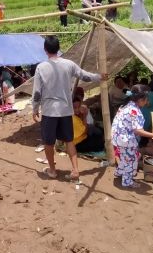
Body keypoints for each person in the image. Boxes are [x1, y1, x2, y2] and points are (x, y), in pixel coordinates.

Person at [32, 36, 107, 180]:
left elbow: (36, 92)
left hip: (49, 111)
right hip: (66, 110)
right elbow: (85, 76)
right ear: (58, 49)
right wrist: (99, 77)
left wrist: (35, 108)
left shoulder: (41, 67)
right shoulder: (69, 64)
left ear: (45, 50)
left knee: (48, 142)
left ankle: (52, 171)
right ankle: (75, 170)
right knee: (69, 140)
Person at [111, 84, 153, 188]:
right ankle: (127, 181)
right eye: (146, 99)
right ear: (141, 99)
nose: (147, 101)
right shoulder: (135, 111)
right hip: (125, 139)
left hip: (118, 137)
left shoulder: (126, 105)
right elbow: (138, 130)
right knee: (131, 159)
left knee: (126, 156)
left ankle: (119, 172)